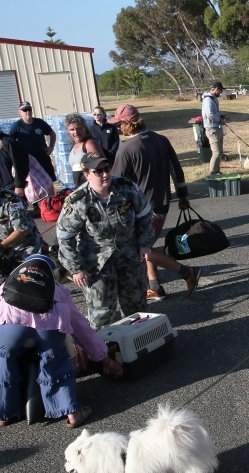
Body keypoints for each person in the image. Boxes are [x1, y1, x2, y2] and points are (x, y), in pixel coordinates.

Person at [0, 255, 122, 428]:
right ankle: (73, 414)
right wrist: (106, 360)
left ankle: (4, 414)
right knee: (56, 362)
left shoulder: (9, 284)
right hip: (48, 326)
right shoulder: (57, 290)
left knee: (4, 361)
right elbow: (82, 330)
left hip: (12, 326)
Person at [108, 104, 201, 302]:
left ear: (127, 124)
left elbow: (114, 183)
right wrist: (183, 195)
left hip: (140, 209)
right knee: (146, 245)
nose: (118, 129)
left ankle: (187, 272)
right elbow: (176, 170)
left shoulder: (126, 149)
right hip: (161, 204)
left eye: (119, 125)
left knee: (139, 249)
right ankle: (155, 287)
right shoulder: (161, 139)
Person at [56, 153, 154, 330]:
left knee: (136, 306)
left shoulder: (126, 188)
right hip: (96, 263)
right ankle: (105, 352)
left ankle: (140, 345)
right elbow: (64, 238)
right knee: (102, 312)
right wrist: (76, 268)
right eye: (97, 171)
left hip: (129, 256)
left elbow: (145, 215)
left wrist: (145, 244)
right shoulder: (78, 201)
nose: (104, 174)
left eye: (106, 169)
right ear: (86, 174)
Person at [9, 101, 56, 188]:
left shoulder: (40, 123)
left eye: (29, 109)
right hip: (28, 161)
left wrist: (51, 148)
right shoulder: (16, 126)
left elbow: (52, 134)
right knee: (33, 185)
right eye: (25, 110)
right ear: (20, 112)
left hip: (43, 157)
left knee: (51, 181)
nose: (28, 112)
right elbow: (10, 142)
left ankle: (53, 199)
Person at [0, 187, 44, 278]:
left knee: (27, 281)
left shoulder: (12, 201)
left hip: (25, 247)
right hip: (4, 247)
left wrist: (1, 246)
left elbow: (21, 231)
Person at [65, 113, 104, 188]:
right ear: (68, 131)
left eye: (79, 128)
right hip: (81, 188)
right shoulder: (74, 145)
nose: (76, 132)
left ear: (85, 128)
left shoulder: (89, 143)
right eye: (72, 129)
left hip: (91, 188)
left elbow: (100, 167)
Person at [202, 81, 225, 176]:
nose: (220, 93)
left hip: (218, 128)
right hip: (212, 130)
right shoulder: (208, 100)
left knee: (220, 152)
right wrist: (219, 119)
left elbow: (215, 113)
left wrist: (222, 117)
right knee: (216, 153)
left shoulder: (214, 99)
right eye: (220, 90)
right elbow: (210, 114)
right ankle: (212, 173)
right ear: (215, 88)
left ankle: (217, 171)